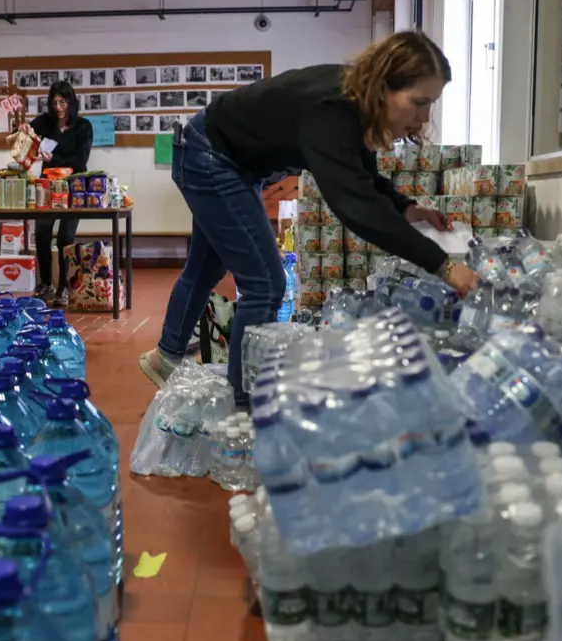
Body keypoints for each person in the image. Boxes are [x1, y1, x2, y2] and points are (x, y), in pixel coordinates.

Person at [139, 31, 480, 403]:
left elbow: (363, 178)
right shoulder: (332, 110)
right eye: (419, 102)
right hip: (211, 158)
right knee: (265, 284)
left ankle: (166, 358)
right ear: (384, 87)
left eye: (431, 103)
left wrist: (406, 207)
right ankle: (245, 404)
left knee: (207, 267)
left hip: (222, 155)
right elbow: (356, 206)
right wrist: (444, 266)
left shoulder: (354, 100)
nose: (425, 116)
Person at [30, 80, 93, 306]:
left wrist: (54, 160)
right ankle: (46, 284)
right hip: (47, 187)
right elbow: (26, 134)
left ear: (71, 102)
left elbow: (80, 160)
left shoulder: (83, 126)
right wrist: (23, 133)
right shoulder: (44, 123)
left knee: (65, 238)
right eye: (54, 102)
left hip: (73, 188)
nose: (58, 107)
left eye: (63, 102)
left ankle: (64, 288)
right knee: (43, 233)